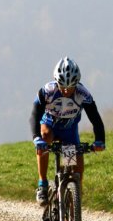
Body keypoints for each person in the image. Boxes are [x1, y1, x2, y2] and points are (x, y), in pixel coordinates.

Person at [29, 56, 106, 206]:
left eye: (70, 87)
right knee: (45, 137)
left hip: (69, 132)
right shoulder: (47, 91)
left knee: (76, 172)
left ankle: (71, 208)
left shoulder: (83, 94)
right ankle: (42, 184)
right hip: (49, 126)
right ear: (56, 81)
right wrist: (36, 137)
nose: (65, 90)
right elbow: (35, 115)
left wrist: (99, 140)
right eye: (62, 85)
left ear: (76, 84)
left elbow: (95, 119)